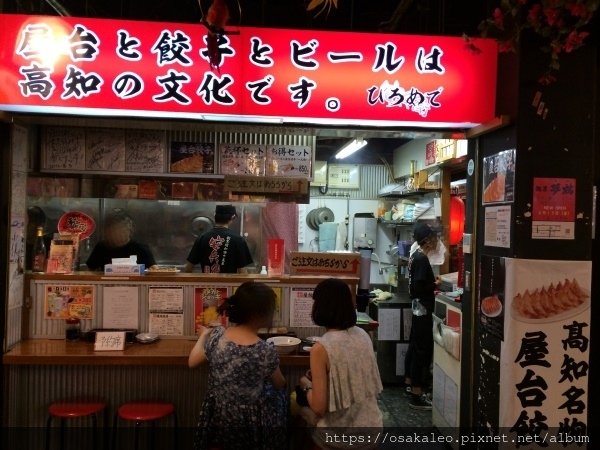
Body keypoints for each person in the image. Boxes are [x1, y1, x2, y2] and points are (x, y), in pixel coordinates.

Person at [188, 282, 287, 450]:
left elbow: (192, 362)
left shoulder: (217, 337)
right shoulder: (265, 350)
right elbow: (280, 383)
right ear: (261, 315)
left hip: (218, 420)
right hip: (251, 425)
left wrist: (204, 335)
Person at [297, 278, 382, 449]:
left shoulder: (321, 348)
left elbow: (319, 408)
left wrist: (306, 385)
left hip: (341, 439)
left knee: (299, 412)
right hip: (373, 430)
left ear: (320, 307)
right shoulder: (362, 334)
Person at [404, 222, 439, 410]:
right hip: (423, 307)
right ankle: (416, 395)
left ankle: (409, 384)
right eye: (434, 238)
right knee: (421, 350)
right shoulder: (421, 259)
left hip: (418, 307)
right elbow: (418, 287)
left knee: (414, 345)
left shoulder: (415, 257)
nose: (437, 242)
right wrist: (435, 283)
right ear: (427, 240)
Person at [184, 204, 253, 273]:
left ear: (215, 216)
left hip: (207, 283)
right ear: (233, 217)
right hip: (229, 283)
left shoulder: (202, 238)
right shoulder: (238, 240)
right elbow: (242, 271)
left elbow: (188, 268)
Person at [86, 212, 157, 271]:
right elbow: (89, 269)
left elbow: (154, 269)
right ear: (109, 231)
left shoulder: (141, 248)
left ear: (130, 230)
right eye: (116, 229)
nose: (119, 233)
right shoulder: (101, 247)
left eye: (124, 229)